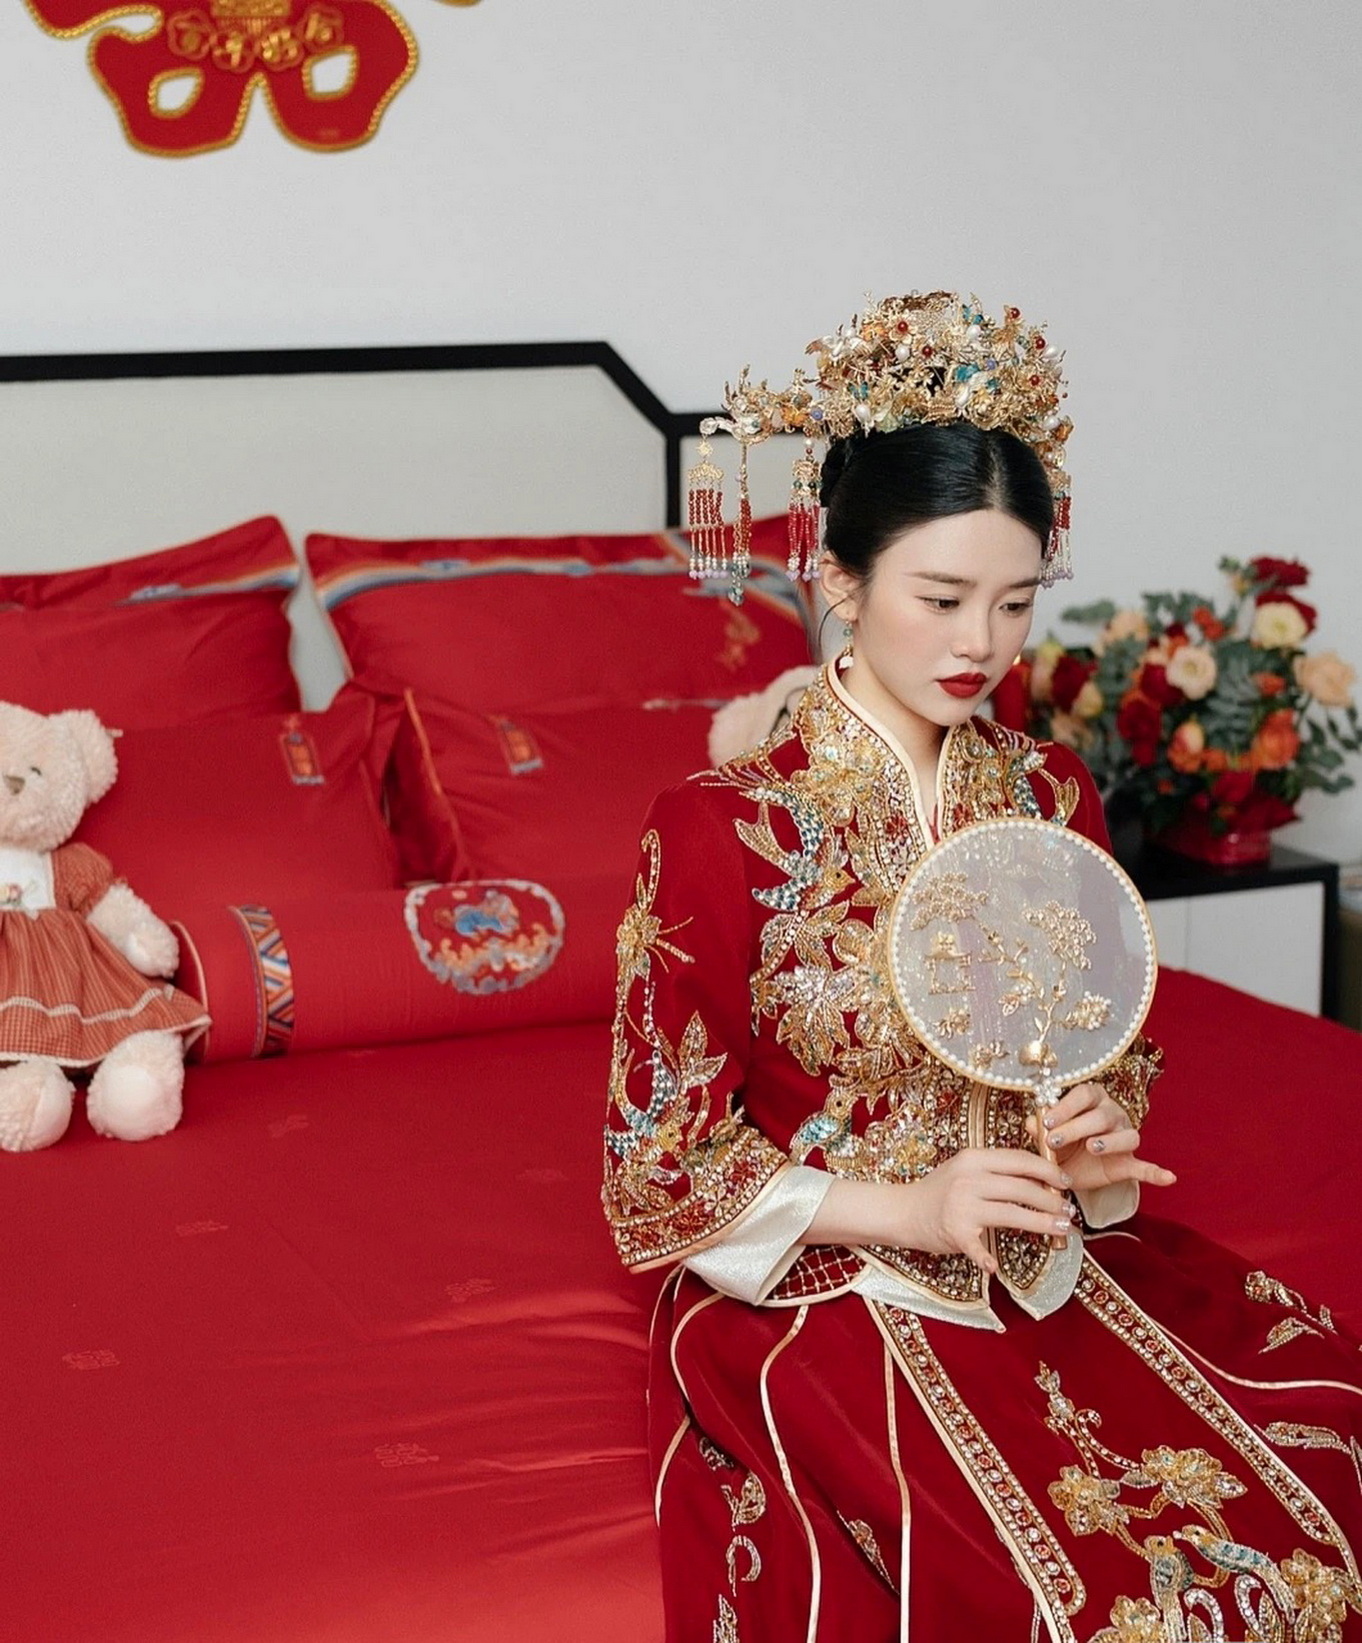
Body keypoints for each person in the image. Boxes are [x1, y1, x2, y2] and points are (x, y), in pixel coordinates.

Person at [603, 294, 1362, 1642]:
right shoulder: (720, 825)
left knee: (1314, 1499)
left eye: (1015, 603)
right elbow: (653, 1163)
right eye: (942, 598)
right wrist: (906, 1210)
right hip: (834, 1277)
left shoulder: (1051, 790)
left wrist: (1095, 1136)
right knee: (1046, 1597)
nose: (980, 645)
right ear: (838, 579)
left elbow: (1108, 1037)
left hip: (1045, 1254)